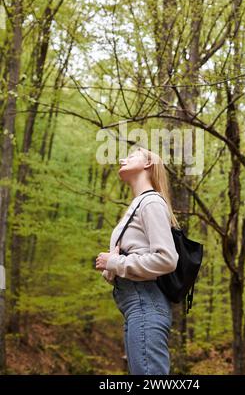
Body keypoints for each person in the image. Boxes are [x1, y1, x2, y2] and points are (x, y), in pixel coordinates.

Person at [95, 147, 180, 375]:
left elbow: (167, 259)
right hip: (136, 306)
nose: (123, 159)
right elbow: (137, 255)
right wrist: (112, 267)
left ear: (148, 164)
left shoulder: (151, 202)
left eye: (131, 156)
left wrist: (114, 263)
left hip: (145, 303)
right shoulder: (139, 204)